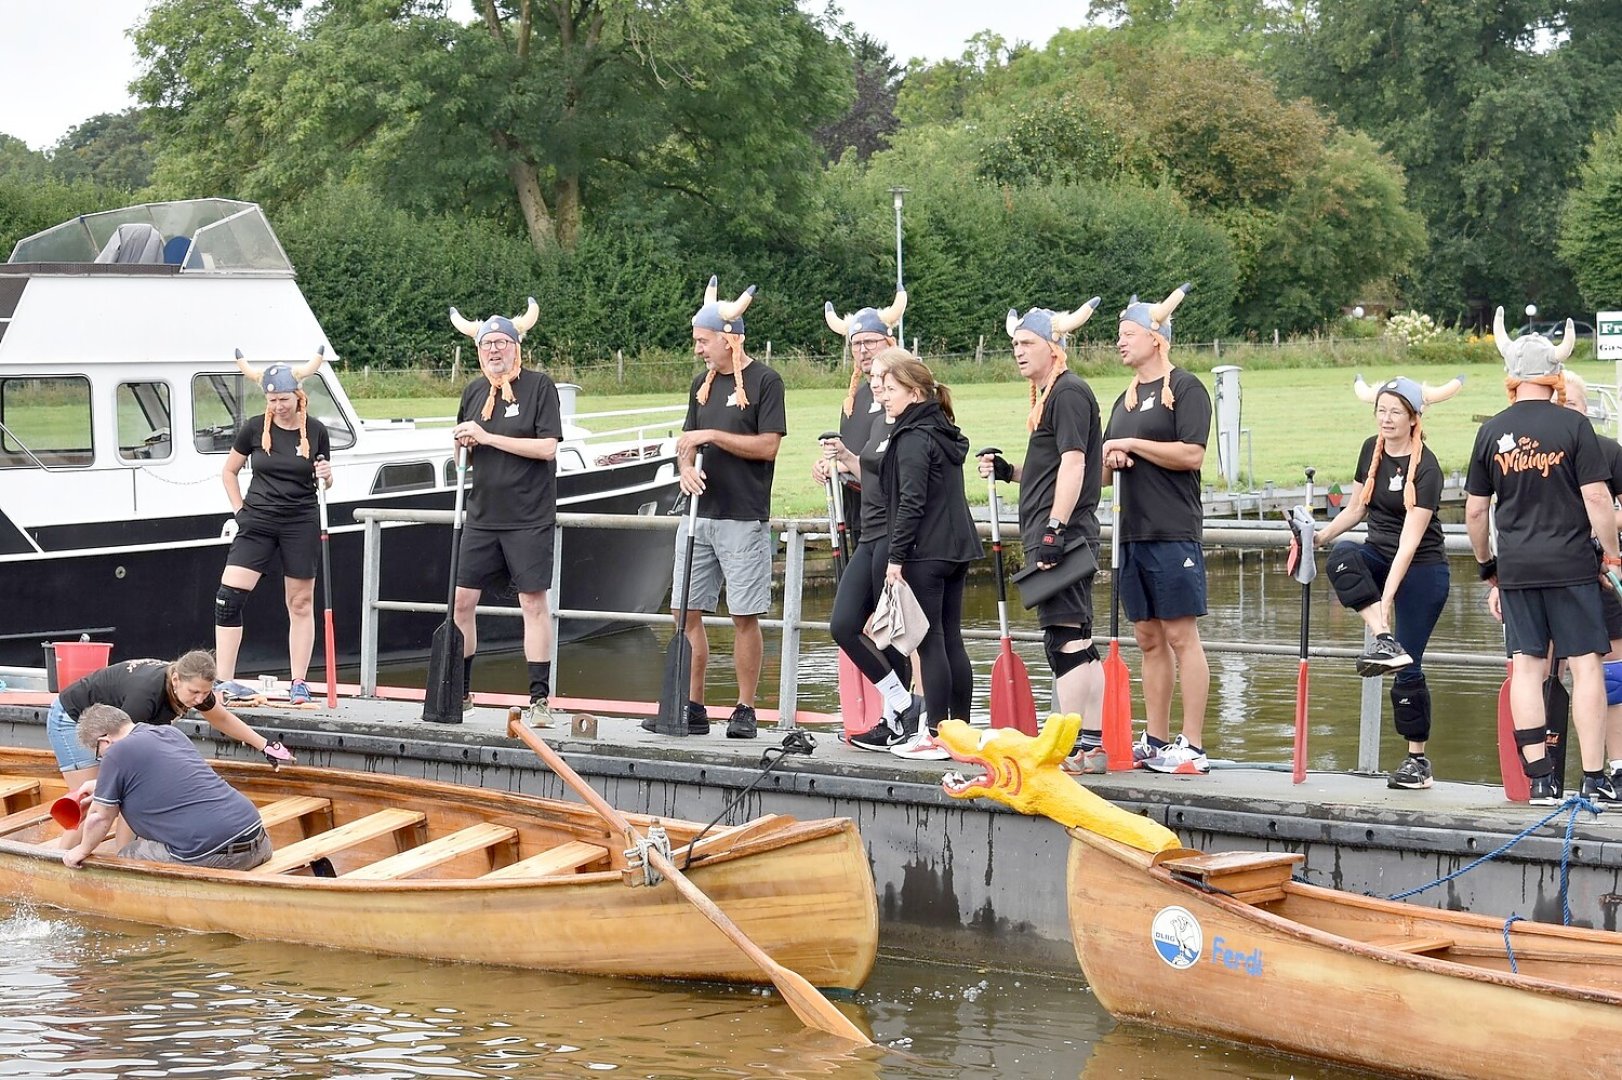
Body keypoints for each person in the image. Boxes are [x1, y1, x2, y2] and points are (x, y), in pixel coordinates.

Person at [1465, 307, 1620, 806]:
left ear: (1511, 378)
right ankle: (1594, 776)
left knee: (1527, 667)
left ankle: (1540, 780)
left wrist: (1488, 566)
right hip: (1573, 566)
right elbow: (1598, 499)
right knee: (1586, 666)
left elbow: (1474, 512)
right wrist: (1612, 555)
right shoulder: (1575, 429)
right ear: (1555, 378)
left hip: (1517, 569)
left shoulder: (1490, 432)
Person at [649, 277, 786, 740]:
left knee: (744, 615)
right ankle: (694, 706)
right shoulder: (700, 386)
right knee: (684, 612)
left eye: (703, 342)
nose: (698, 351)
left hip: (743, 517)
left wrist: (712, 437)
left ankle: (745, 709)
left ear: (728, 339)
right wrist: (686, 466)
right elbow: (686, 441)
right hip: (698, 516)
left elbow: (768, 446)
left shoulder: (767, 381)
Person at [978, 297, 1108, 772]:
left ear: (1055, 348)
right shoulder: (1053, 395)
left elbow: (1075, 463)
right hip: (1057, 531)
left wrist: (1055, 528)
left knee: (1064, 639)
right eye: (1014, 343)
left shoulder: (1069, 392)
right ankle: (1090, 744)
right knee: (1077, 637)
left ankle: (1074, 746)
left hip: (1063, 535)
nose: (1018, 350)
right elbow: (1052, 468)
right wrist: (1011, 470)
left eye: (1028, 342)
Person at [1314, 375, 1463, 790]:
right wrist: (1320, 536)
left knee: (1408, 667)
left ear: (1414, 418)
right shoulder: (1371, 449)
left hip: (1422, 569)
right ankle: (1383, 639)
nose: (1386, 419)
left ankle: (1418, 763)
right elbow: (1357, 508)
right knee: (1344, 556)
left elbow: (1410, 544)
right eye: (1381, 410)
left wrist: (1389, 596)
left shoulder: (1427, 467)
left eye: (1395, 412)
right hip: (1377, 552)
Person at [1100, 283, 1214, 775]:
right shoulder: (1123, 399)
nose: (1120, 342)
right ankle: (1157, 738)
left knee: (1180, 634)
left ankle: (1192, 744)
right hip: (1132, 532)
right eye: (1119, 335)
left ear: (1157, 337)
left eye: (1128, 334)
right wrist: (1114, 452)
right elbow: (1105, 469)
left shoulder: (1186, 388)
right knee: (1147, 636)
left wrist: (1133, 444)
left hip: (1173, 529)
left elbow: (1192, 454)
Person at [447, 298, 564, 728]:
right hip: (482, 515)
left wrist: (488, 437)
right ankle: (460, 692)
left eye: (501, 343)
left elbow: (547, 448)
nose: (494, 351)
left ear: (517, 348)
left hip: (528, 516)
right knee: (461, 602)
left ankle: (539, 700)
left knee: (532, 602)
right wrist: (461, 444)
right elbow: (463, 452)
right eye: (486, 345)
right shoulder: (475, 392)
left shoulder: (540, 387)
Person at [45, 651, 293, 848]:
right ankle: (60, 859)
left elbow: (222, 719)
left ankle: (124, 859)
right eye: (194, 693)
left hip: (113, 724)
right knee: (94, 802)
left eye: (205, 693)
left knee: (133, 795)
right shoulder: (144, 699)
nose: (199, 700)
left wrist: (264, 745)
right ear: (175, 680)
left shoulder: (194, 687)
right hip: (73, 718)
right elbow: (121, 756)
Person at [875, 352, 983, 758]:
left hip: (925, 550)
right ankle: (961, 731)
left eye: (892, 390)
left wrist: (896, 557)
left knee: (930, 641)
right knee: (951, 638)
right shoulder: (942, 429)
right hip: (957, 548)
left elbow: (911, 502)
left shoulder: (913, 436)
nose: (885, 397)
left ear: (915, 392)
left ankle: (936, 733)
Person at [215, 350, 334, 705]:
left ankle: (298, 681)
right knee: (227, 600)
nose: (278, 406)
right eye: (271, 400)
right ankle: (224, 680)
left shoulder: (315, 430)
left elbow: (324, 481)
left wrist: (327, 477)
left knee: (299, 603)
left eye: (283, 399)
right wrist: (240, 511)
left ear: (297, 397)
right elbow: (229, 471)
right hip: (258, 520)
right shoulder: (254, 427)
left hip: (300, 520)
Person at [822, 349, 924, 750]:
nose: (877, 384)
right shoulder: (879, 421)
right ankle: (902, 705)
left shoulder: (909, 424)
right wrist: (844, 459)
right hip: (869, 533)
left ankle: (895, 719)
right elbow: (875, 472)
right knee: (844, 625)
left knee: (890, 635)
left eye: (885, 378)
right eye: (874, 378)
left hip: (892, 537)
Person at [63, 704, 273, 871]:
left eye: (98, 754)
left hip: (217, 856)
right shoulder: (169, 733)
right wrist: (102, 787)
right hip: (259, 840)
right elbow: (166, 779)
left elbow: (100, 817)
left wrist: (81, 850)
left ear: (105, 741)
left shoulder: (117, 753)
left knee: (127, 857)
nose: (102, 759)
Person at [1559, 373, 1622, 794]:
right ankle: (1547, 775)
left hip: (1602, 574)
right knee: (1549, 675)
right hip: (1552, 576)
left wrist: (1597, 523)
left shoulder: (1609, 451)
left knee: (1612, 677)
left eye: (1574, 405)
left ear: (1587, 410)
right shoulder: (1535, 454)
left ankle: (1615, 767)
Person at [818, 290, 906, 539]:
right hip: (859, 515)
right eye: (856, 343)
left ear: (889, 343)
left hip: (894, 518)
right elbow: (851, 450)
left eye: (870, 342)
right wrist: (829, 465)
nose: (863, 350)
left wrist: (846, 461)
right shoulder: (853, 400)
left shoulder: (908, 394)